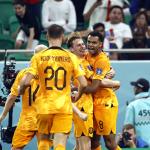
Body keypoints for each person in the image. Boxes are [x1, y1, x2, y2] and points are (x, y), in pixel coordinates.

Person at [18, 24, 87, 150]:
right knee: (60, 143)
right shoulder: (71, 57)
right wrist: (77, 96)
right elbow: (83, 83)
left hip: (43, 106)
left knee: (44, 140)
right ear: (62, 37)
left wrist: (21, 90)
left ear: (47, 36)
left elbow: (26, 82)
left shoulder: (37, 57)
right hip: (63, 106)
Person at [0, 44, 48, 150]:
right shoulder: (52, 74)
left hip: (27, 119)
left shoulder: (24, 73)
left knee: (16, 148)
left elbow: (12, 96)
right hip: (45, 118)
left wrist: (3, 115)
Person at [81, 31, 121, 150]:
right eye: (89, 42)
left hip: (105, 103)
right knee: (93, 142)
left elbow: (94, 87)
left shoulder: (102, 60)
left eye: (94, 42)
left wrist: (77, 90)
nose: (91, 45)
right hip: (92, 102)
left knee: (109, 143)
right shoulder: (86, 55)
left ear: (100, 44)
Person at [124, 78, 150, 146]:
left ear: (139, 89)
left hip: (140, 147)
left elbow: (127, 129)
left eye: (135, 87)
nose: (133, 88)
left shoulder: (132, 105)